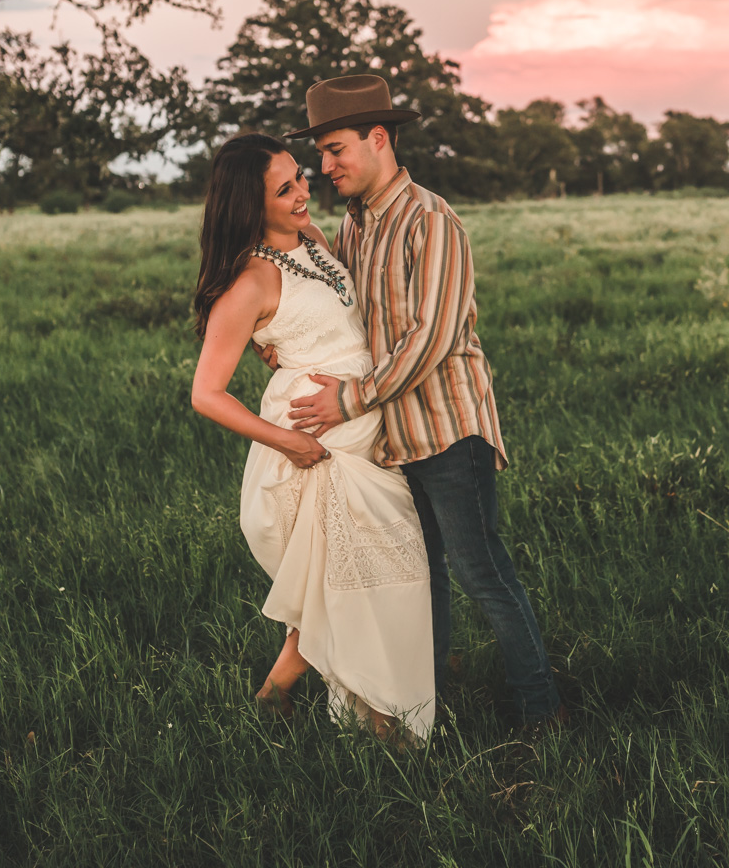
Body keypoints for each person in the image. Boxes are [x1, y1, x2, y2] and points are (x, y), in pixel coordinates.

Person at [275, 74, 565, 728]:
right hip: (390, 436)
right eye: (320, 154)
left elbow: (429, 337)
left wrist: (349, 399)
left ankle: (543, 713)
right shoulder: (356, 223)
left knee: (481, 573)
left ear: (379, 139)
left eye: (337, 149)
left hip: (446, 429)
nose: (326, 167)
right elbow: (349, 311)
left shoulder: (429, 220)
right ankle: (424, 703)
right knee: (422, 577)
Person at [189, 131, 435, 743]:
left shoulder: (317, 243)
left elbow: (321, 326)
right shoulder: (250, 282)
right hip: (314, 452)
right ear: (251, 206)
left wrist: (283, 350)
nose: (304, 191)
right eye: (285, 189)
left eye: (300, 176)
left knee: (354, 580)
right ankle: (384, 721)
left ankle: (279, 692)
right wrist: (288, 441)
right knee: (356, 581)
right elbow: (206, 393)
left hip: (361, 433)